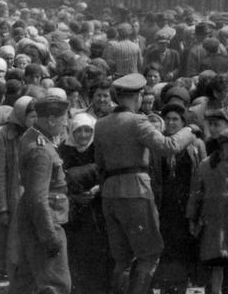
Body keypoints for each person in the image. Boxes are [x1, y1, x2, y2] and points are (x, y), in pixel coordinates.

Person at [95, 73, 195, 294]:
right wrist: (189, 131)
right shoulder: (138, 120)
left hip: (110, 193)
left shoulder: (100, 124)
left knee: (122, 258)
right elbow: (168, 145)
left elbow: (100, 164)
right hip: (136, 191)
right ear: (139, 96)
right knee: (149, 253)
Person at [10, 95, 72, 294]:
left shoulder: (32, 137)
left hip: (34, 221)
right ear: (52, 119)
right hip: (45, 223)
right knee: (55, 285)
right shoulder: (41, 150)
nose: (66, 124)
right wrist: (49, 236)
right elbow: (38, 198)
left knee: (27, 284)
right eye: (64, 119)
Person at [152, 103, 205, 293]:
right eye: (168, 119)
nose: (171, 122)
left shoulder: (196, 145)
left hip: (186, 204)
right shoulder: (160, 143)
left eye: (175, 119)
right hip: (166, 204)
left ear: (184, 122)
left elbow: (201, 176)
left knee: (184, 249)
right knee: (167, 249)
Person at [187, 128, 228, 294]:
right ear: (225, 146)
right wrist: (192, 217)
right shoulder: (206, 165)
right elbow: (196, 193)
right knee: (216, 263)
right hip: (214, 223)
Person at [0, 96, 36, 281]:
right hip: (13, 197)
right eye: (32, 116)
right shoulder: (2, 135)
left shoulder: (38, 134)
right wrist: (1, 208)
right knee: (13, 245)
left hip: (33, 196)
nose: (35, 120)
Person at [58, 112, 109, 294]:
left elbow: (108, 173)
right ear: (72, 131)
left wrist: (96, 189)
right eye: (79, 131)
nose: (83, 135)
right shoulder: (64, 149)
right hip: (74, 208)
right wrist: (74, 195)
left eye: (88, 130)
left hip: (98, 204)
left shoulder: (100, 148)